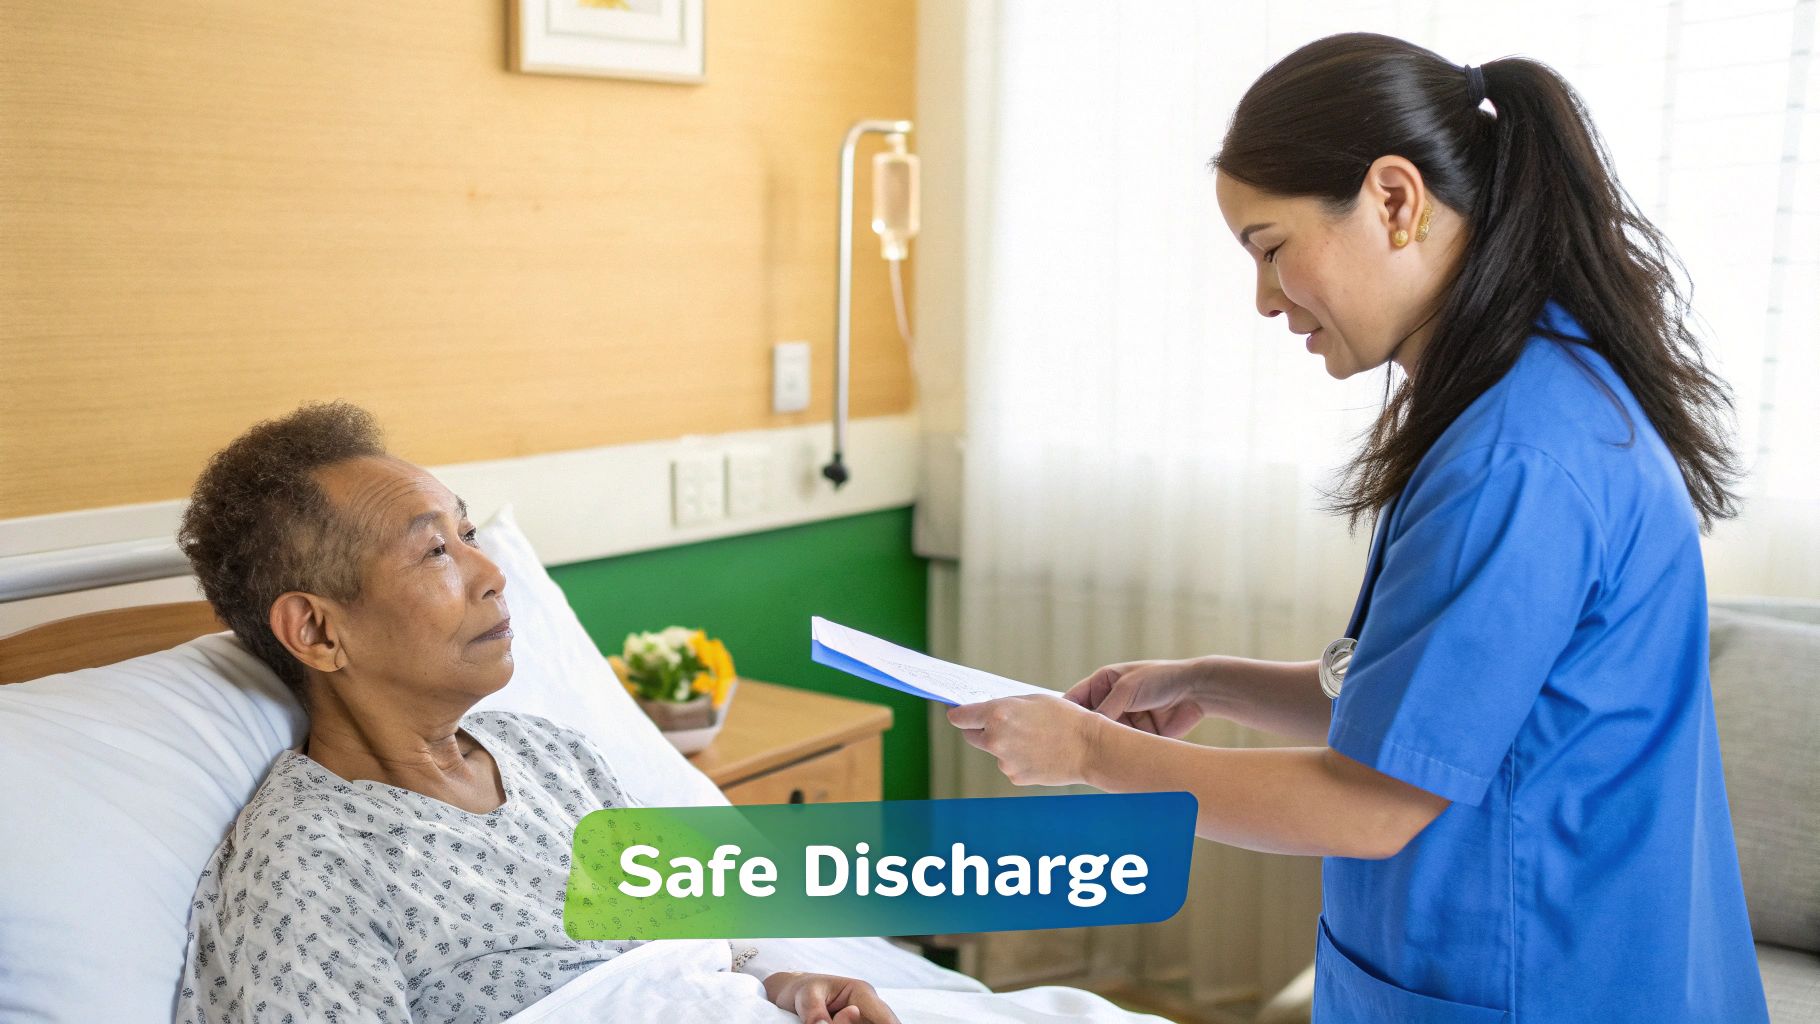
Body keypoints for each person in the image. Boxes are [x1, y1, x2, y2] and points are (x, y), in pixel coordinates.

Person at [948, 32, 1772, 1022]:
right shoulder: (1543, 395)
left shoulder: (1510, 463)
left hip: (1531, 983)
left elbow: (1367, 805)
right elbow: (1436, 720)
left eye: (1270, 248)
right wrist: (1207, 679)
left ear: (1392, 199)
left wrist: (1085, 753)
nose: (1263, 298)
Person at [172, 401, 901, 1024]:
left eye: (468, 536)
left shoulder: (550, 757)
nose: (491, 575)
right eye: (433, 552)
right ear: (319, 632)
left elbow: (691, 958)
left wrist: (785, 988)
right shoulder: (313, 863)